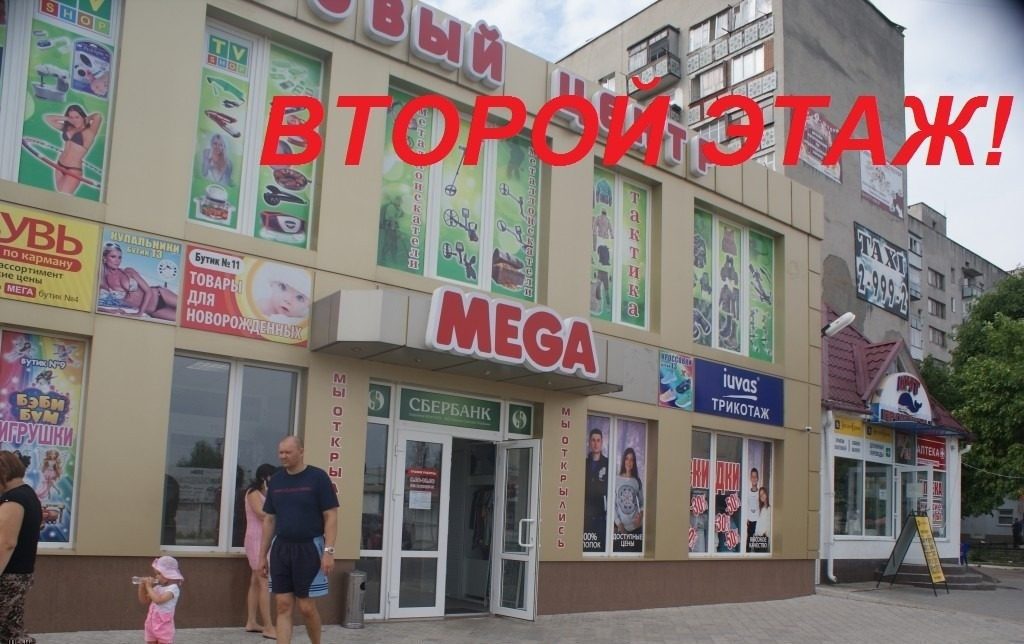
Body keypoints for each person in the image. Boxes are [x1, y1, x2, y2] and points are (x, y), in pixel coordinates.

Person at [259, 437, 338, 644]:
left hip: (309, 548)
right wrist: (262, 556)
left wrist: (329, 552)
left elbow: (331, 515)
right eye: (281, 452)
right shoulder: (276, 481)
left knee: (306, 607)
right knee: (282, 605)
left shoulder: (318, 477)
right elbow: (269, 519)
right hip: (281, 548)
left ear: (301, 452)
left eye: (288, 452)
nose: (283, 456)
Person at [0, 450, 43, 644]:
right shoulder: (28, 495)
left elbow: (6, 543)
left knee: (11, 631)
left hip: (7, 576)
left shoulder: (14, 500)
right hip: (21, 574)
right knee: (12, 632)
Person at [98, 242, 178, 321]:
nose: (117, 261)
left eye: (119, 257)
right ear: (104, 258)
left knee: (185, 308)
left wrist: (139, 313)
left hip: (160, 294)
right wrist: (109, 311)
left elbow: (148, 291)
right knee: (181, 320)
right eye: (113, 257)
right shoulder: (103, 283)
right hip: (153, 311)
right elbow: (93, 306)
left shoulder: (128, 271)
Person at [244, 464, 278, 639]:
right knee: (264, 582)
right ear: (265, 478)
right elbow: (261, 514)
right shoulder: (253, 493)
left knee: (255, 582)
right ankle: (268, 627)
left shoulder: (268, 494)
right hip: (256, 540)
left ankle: (251, 622)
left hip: (266, 540)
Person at [43, 104, 102, 194]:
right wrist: (66, 119)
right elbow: (48, 118)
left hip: (73, 169)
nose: (74, 120)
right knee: (59, 192)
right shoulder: (68, 128)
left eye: (77, 117)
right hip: (59, 164)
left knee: (63, 195)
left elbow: (98, 116)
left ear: (83, 116)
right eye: (71, 117)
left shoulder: (90, 131)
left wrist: (88, 119)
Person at [137, 556, 184, 644]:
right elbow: (144, 600)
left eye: (159, 573)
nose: (156, 576)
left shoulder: (173, 589)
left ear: (169, 574)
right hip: (151, 624)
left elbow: (159, 600)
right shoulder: (158, 587)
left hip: (164, 626)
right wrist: (141, 587)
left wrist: (148, 587)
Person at [613, 447, 644, 552]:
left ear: (634, 463)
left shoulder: (637, 481)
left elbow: (642, 503)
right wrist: (619, 525)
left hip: (636, 529)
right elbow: (612, 505)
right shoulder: (616, 480)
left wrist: (641, 514)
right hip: (622, 530)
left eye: (632, 460)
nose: (629, 462)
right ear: (623, 460)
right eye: (627, 458)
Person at [583, 428, 609, 551]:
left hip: (601, 518)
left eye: (598, 440)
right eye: (593, 440)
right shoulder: (584, 463)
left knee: (600, 550)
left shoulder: (607, 464)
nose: (595, 443)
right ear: (589, 442)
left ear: (602, 442)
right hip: (585, 516)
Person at [752, 486, 771, 552]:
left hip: (763, 537)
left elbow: (770, 523)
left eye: (763, 493)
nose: (762, 496)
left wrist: (765, 534)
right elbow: (758, 523)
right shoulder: (760, 509)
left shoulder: (769, 508)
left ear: (766, 494)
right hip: (757, 537)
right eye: (760, 495)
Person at [745, 468, 760, 542]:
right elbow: (745, 506)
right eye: (752, 477)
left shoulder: (760, 493)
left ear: (758, 478)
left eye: (755, 477)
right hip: (750, 521)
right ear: (750, 478)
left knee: (757, 543)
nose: (754, 479)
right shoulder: (747, 493)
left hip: (758, 521)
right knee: (749, 543)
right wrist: (746, 518)